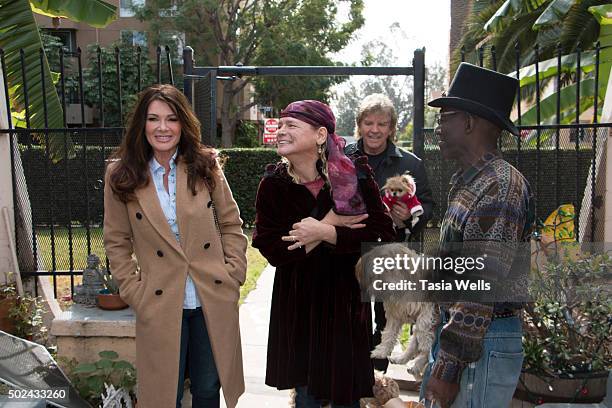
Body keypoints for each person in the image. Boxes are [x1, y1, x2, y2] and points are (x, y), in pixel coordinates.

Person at [103, 84, 247, 408]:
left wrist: (234, 272)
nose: (163, 128)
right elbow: (116, 241)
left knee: (208, 387)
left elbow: (231, 224)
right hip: (159, 300)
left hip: (211, 293)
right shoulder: (121, 174)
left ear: (183, 123)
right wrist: (133, 291)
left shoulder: (206, 165)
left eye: (171, 118)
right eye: (153, 119)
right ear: (142, 125)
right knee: (164, 394)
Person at [252, 100, 395, 407]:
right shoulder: (274, 185)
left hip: (344, 310)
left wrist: (325, 233)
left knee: (346, 398)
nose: (281, 131)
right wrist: (329, 222)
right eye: (281, 124)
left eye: (292, 125)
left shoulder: (354, 176)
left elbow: (381, 233)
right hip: (299, 311)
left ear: (320, 135)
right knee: (305, 397)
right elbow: (274, 250)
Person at [420, 63, 534, 408]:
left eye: (445, 117)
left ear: (469, 122)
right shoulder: (471, 180)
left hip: (481, 342)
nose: (438, 127)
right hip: (465, 340)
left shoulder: (499, 187)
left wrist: (448, 369)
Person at [345, 93, 434, 372]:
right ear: (359, 125)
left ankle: (378, 382)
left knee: (387, 319)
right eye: (368, 123)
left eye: (382, 124)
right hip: (349, 250)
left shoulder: (411, 164)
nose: (374, 129)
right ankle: (351, 377)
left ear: (391, 128)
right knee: (350, 315)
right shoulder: (343, 159)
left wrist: (410, 217)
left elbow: (429, 205)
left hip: (393, 254)